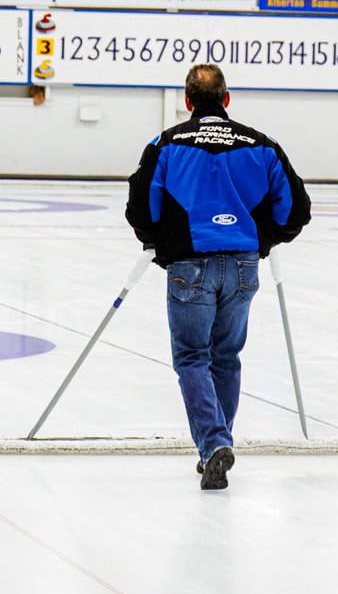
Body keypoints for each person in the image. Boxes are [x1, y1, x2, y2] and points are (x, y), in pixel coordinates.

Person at [125, 64, 311, 491]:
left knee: (192, 357)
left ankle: (213, 446)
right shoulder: (261, 145)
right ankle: (217, 443)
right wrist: (263, 239)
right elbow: (295, 209)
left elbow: (141, 206)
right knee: (225, 356)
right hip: (244, 265)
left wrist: (161, 245)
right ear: (227, 99)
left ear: (187, 102)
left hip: (189, 264)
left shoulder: (167, 143)